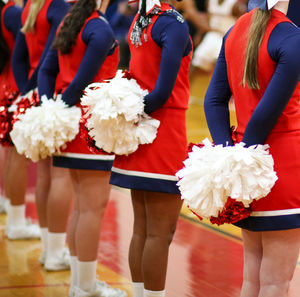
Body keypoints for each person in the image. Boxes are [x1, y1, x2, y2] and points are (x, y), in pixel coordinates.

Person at [204, 0, 300, 296]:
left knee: (252, 278)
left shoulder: (235, 30)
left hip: (247, 171)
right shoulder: (291, 37)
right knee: (275, 282)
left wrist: (229, 158)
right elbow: (267, 115)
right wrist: (243, 158)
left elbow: (213, 100)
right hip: (281, 169)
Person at [38, 0, 127, 296]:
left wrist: (50, 107)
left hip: (68, 126)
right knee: (91, 209)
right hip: (88, 128)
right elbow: (83, 82)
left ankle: (80, 283)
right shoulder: (99, 28)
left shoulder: (69, 23)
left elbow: (47, 71)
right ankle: (85, 287)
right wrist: (64, 107)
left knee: (82, 208)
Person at [109, 0, 192, 296]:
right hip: (164, 134)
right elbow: (162, 91)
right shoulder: (172, 23)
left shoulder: (141, 19)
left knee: (142, 229)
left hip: (140, 134)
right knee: (159, 233)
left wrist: (128, 114)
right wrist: (132, 111)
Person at [11, 0, 74, 270]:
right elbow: (51, 58)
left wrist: (26, 91)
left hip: (37, 94)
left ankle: (49, 249)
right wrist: (38, 91)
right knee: (60, 175)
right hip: (53, 94)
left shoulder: (30, 6)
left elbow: (18, 57)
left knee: (46, 174)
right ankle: (55, 253)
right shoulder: (59, 7)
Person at [0, 0, 22, 214]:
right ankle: (16, 219)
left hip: (5, 83)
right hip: (14, 87)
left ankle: (6, 202)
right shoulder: (13, 13)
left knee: (9, 151)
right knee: (17, 155)